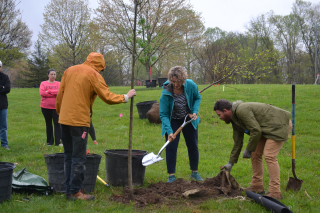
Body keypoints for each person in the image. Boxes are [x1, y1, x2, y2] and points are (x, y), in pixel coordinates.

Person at [56, 52, 136, 201]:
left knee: (68, 155)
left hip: (64, 119)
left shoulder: (69, 70)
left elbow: (60, 94)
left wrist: (61, 113)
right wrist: (126, 97)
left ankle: (68, 190)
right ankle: (75, 193)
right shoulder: (94, 75)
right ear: (100, 66)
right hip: (79, 122)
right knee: (79, 157)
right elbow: (107, 96)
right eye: (101, 69)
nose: (100, 71)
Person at [214, 99, 292, 200]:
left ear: (225, 111)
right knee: (255, 154)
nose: (219, 118)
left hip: (279, 124)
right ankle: (257, 186)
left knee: (269, 155)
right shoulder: (234, 119)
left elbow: (256, 130)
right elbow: (238, 143)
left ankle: (275, 191)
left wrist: (248, 149)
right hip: (266, 127)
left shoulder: (242, 110)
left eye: (219, 115)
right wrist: (230, 163)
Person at [159, 66, 202, 183]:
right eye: (173, 81)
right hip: (173, 119)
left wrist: (194, 111)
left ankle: (195, 172)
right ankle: (171, 176)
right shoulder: (166, 91)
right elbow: (163, 114)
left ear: (183, 80)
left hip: (188, 118)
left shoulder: (191, 85)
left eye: (178, 82)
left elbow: (197, 97)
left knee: (192, 145)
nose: (175, 84)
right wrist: (169, 131)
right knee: (171, 146)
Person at [39, 69, 62, 146]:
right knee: (48, 124)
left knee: (57, 124)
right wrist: (54, 92)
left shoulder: (59, 83)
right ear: (48, 75)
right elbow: (42, 93)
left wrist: (48, 91)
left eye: (54, 74)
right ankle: (49, 142)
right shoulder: (43, 83)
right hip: (45, 107)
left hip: (56, 107)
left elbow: (60, 92)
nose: (53, 76)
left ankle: (58, 142)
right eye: (51, 74)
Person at [0, 61, 10, 150]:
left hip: (2, 105)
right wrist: (1, 87)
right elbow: (3, 88)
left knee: (3, 126)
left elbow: (7, 89)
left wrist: (4, 88)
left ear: (1, 67)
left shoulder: (5, 77)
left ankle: (4, 144)